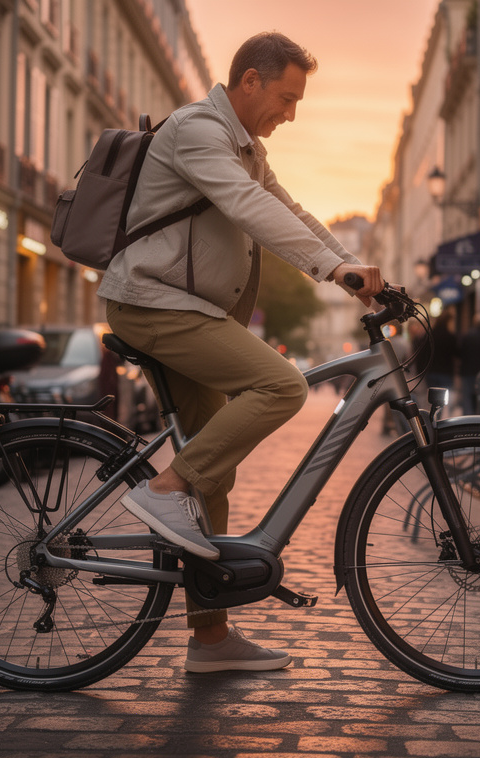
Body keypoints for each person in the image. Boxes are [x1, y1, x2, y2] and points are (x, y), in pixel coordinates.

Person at [97, 32, 383, 674]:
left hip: (187, 310)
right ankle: (163, 488)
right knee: (281, 386)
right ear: (248, 82)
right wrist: (332, 274)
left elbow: (292, 210)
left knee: (214, 471)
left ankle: (211, 641)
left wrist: (350, 266)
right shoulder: (200, 130)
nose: (291, 113)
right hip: (151, 303)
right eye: (285, 97)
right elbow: (249, 207)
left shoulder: (245, 146)